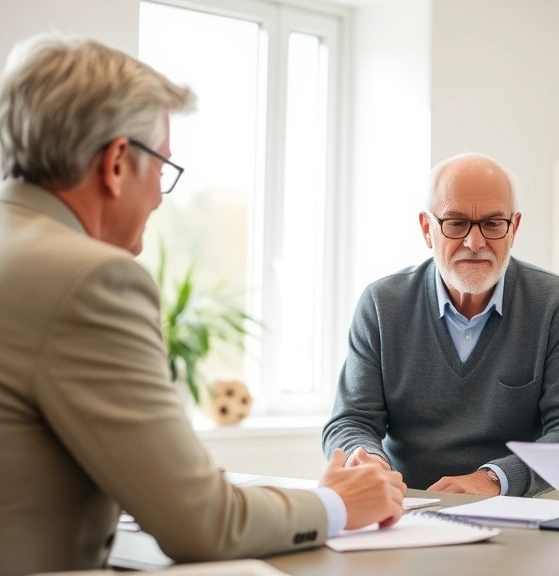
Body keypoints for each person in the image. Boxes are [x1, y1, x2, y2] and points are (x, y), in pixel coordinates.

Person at [0, 35, 405, 576]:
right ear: (118, 163)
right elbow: (204, 524)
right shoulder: (90, 278)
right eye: (163, 168)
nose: (161, 197)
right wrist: (338, 503)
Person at [322, 152, 559, 497]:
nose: (475, 242)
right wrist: (365, 460)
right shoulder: (382, 303)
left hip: (515, 508)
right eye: (455, 223)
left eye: (492, 224)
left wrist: (494, 479)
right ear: (428, 229)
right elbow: (351, 421)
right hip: (407, 506)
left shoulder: (555, 304)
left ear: (513, 229)